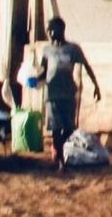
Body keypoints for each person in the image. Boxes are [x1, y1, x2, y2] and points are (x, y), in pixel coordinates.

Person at [38, 16, 100, 171]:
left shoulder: (73, 49)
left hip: (68, 94)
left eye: (52, 30)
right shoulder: (46, 50)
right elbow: (43, 72)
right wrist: (34, 80)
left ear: (61, 30)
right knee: (55, 129)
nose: (49, 33)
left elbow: (86, 66)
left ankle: (57, 150)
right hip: (52, 95)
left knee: (69, 129)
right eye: (48, 30)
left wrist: (96, 86)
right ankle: (60, 161)